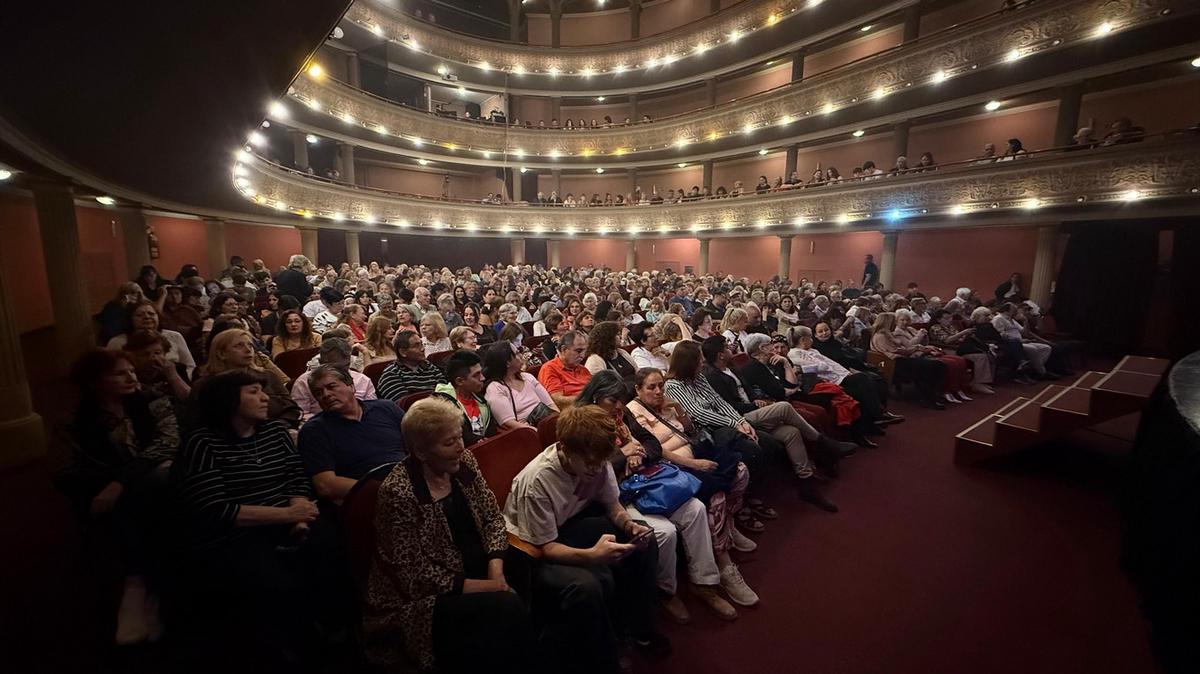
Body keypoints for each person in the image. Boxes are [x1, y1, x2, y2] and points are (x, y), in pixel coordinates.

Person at [174, 369, 339, 664]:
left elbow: (296, 480)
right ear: (227, 401)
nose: (264, 398)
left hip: (288, 519)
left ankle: (333, 631)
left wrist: (299, 516)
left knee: (331, 550)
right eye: (253, 392)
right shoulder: (202, 442)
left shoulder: (275, 432)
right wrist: (288, 514)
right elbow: (215, 510)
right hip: (237, 534)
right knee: (273, 581)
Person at [363, 397, 536, 673]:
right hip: (421, 599)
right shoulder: (399, 492)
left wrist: (495, 570)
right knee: (505, 607)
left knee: (524, 562)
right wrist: (488, 587)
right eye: (449, 443)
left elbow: (491, 516)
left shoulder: (463, 462)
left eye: (459, 437)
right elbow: (413, 575)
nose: (460, 448)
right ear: (420, 452)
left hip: (473, 565)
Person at [504, 405, 669, 673]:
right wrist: (593, 555)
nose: (597, 468)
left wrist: (629, 526)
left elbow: (613, 505)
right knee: (589, 585)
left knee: (643, 539)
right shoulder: (536, 482)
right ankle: (604, 659)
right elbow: (544, 547)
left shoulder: (597, 460)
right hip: (530, 550)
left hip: (567, 526)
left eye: (601, 461)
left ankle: (638, 627)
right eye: (590, 463)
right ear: (565, 450)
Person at [576, 371, 746, 623]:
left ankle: (704, 582)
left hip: (647, 479)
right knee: (664, 531)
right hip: (617, 493)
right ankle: (667, 591)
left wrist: (639, 453)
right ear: (595, 398)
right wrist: (625, 454)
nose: (619, 406)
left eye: (620, 400)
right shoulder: (582, 425)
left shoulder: (621, 415)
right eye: (612, 401)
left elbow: (651, 443)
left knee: (696, 509)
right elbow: (590, 470)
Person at [61, 349, 178, 645]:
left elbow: (168, 443)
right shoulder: (78, 420)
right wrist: (115, 483)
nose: (131, 376)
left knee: (152, 481)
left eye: (131, 370)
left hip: (153, 483)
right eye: (120, 373)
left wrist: (120, 482)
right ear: (96, 382)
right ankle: (151, 593)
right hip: (117, 489)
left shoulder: (151, 399)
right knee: (136, 498)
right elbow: (70, 468)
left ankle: (135, 585)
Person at [700, 336, 854, 505]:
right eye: (726, 347)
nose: (731, 348)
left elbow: (749, 390)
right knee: (784, 407)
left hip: (753, 409)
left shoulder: (731, 368)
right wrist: (754, 405)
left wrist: (758, 400)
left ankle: (807, 483)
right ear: (721, 355)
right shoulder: (713, 377)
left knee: (791, 432)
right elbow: (729, 406)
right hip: (739, 418)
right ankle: (825, 443)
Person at [297, 364, 405, 504]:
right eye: (318, 393)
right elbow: (325, 485)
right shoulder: (314, 430)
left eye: (331, 387)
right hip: (366, 499)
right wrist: (388, 491)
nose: (326, 394)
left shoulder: (386, 408)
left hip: (412, 483)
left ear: (351, 387)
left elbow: (421, 446)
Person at [197, 328, 300, 426]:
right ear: (221, 353)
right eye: (239, 346)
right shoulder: (205, 385)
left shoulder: (268, 376)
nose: (248, 350)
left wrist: (277, 427)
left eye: (250, 345)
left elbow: (292, 408)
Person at [870, 312, 948, 409]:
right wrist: (916, 348)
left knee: (937, 365)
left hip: (900, 361)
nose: (895, 323)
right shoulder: (881, 336)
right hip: (895, 365)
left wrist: (917, 347)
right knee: (932, 366)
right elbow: (898, 351)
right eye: (893, 321)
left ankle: (932, 395)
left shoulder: (886, 334)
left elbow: (902, 348)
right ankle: (928, 398)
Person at [289, 337, 377, 422]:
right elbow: (300, 415)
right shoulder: (304, 382)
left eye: (345, 366)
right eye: (333, 368)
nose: (341, 372)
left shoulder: (363, 380)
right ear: (320, 362)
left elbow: (373, 411)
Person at [106, 301, 196, 379]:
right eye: (139, 315)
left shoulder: (174, 336)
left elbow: (190, 365)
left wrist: (179, 379)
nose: (146, 317)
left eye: (151, 314)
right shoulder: (117, 342)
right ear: (130, 319)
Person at [482, 343, 558, 431]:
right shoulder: (495, 388)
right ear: (507, 363)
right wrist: (536, 431)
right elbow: (509, 422)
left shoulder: (527, 377)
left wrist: (559, 422)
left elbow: (550, 405)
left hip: (545, 424)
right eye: (517, 353)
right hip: (526, 432)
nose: (521, 356)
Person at [433, 350, 496, 446]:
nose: (483, 378)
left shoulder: (481, 399)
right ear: (460, 381)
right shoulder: (443, 406)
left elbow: (492, 432)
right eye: (476, 375)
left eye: (481, 373)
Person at [928, 310, 995, 395]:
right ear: (938, 319)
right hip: (947, 350)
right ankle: (977, 384)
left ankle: (979, 382)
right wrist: (963, 332)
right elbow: (947, 340)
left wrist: (967, 336)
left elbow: (960, 338)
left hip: (960, 348)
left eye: (950, 317)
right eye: (946, 318)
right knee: (979, 357)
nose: (950, 320)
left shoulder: (950, 327)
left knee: (983, 355)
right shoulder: (935, 327)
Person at [377, 330, 449, 401]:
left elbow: (446, 392)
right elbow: (403, 405)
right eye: (416, 346)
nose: (423, 349)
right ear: (403, 352)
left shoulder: (429, 366)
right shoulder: (392, 374)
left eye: (422, 344)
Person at [537, 330, 592, 408]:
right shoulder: (549, 368)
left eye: (584, 351)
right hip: (571, 414)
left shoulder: (584, 370)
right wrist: (589, 400)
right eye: (578, 351)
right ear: (563, 349)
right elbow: (557, 401)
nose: (582, 355)